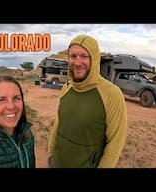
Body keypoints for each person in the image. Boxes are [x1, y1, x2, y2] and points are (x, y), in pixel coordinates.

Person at [48, 35, 127, 168]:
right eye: (73, 56)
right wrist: (51, 154)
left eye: (84, 56)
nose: (77, 63)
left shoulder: (111, 94)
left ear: (94, 59)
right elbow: (58, 123)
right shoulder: (66, 88)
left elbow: (115, 142)